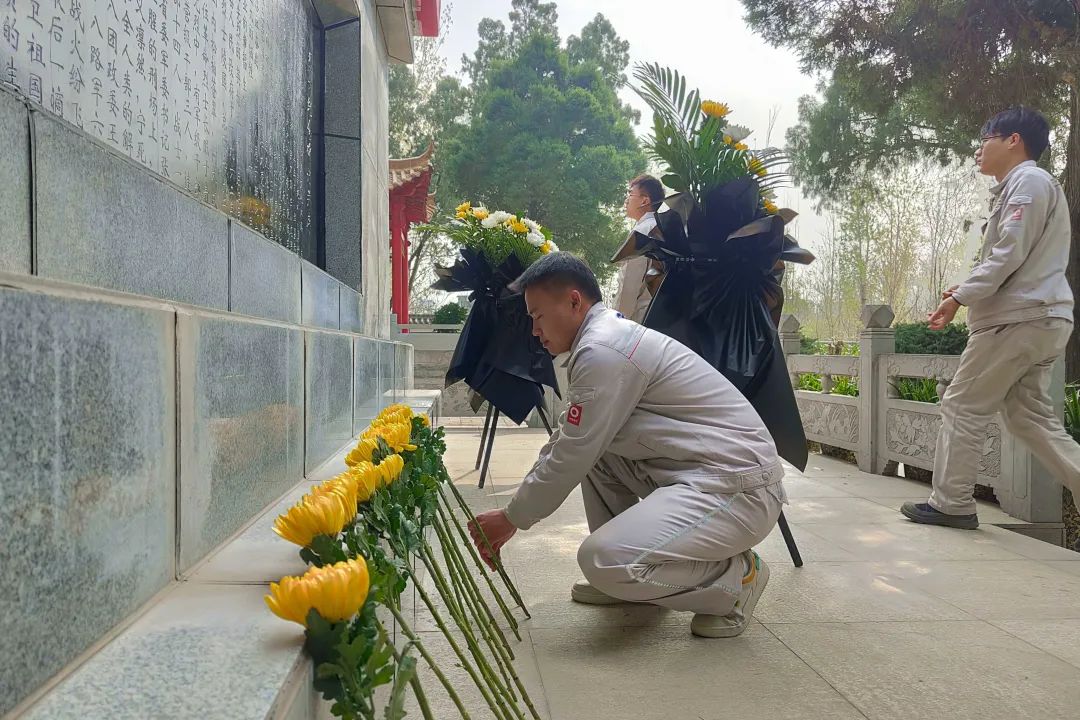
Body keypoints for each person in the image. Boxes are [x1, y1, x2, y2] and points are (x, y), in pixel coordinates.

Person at [468, 253, 787, 638]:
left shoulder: (603, 350)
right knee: (598, 453)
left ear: (574, 301)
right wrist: (516, 511)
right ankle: (632, 580)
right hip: (702, 477)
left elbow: (571, 454)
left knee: (602, 559)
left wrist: (512, 518)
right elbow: (570, 440)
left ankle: (737, 579)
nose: (534, 330)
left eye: (537, 316)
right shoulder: (603, 341)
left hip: (738, 490)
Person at [902, 106, 1080, 529]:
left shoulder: (1028, 182)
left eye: (985, 139)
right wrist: (967, 290)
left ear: (1013, 140)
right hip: (1041, 318)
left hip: (1016, 319)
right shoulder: (1029, 186)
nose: (979, 150)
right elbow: (1013, 256)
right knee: (1028, 417)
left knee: (963, 404)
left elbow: (1008, 254)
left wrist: (961, 297)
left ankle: (952, 503)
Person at [612, 174, 667, 323]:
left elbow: (629, 285)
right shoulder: (659, 227)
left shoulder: (643, 232)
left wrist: (616, 321)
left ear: (644, 200)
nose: (626, 200)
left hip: (638, 320)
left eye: (630, 194)